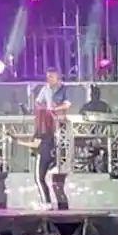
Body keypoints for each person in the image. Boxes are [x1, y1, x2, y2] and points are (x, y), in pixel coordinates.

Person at [32, 68, 70, 208]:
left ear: (58, 77)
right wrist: (43, 109)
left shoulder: (63, 89)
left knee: (42, 175)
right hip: (48, 123)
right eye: (47, 76)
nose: (49, 79)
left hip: (59, 124)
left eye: (51, 76)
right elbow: (38, 103)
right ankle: (47, 202)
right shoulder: (45, 89)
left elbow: (67, 104)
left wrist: (56, 109)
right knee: (40, 175)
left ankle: (49, 202)